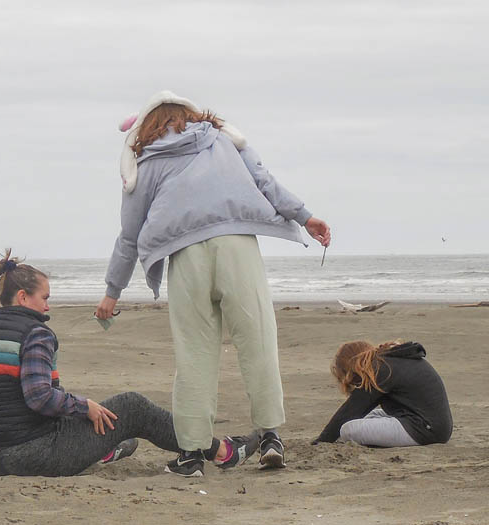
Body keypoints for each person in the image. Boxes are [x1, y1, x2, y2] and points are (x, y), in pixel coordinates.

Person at [95, 90, 331, 475]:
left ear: (147, 126)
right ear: (191, 115)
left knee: (194, 355)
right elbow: (264, 182)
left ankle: (191, 456)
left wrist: (112, 292)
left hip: (186, 257)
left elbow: (129, 235)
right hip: (236, 245)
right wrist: (305, 217)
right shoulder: (224, 141)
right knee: (256, 339)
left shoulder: (146, 162)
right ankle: (270, 436)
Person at [0, 251, 257, 478]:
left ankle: (103, 450)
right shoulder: (35, 333)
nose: (48, 306)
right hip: (31, 455)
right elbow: (39, 397)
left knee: (83, 415)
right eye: (44, 298)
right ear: (22, 297)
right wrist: (84, 406)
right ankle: (221, 451)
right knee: (132, 406)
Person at [314, 340, 452, 447]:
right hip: (427, 423)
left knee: (347, 429)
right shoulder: (389, 362)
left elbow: (351, 409)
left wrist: (322, 441)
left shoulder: (380, 370)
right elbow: (357, 411)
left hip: (425, 430)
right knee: (366, 417)